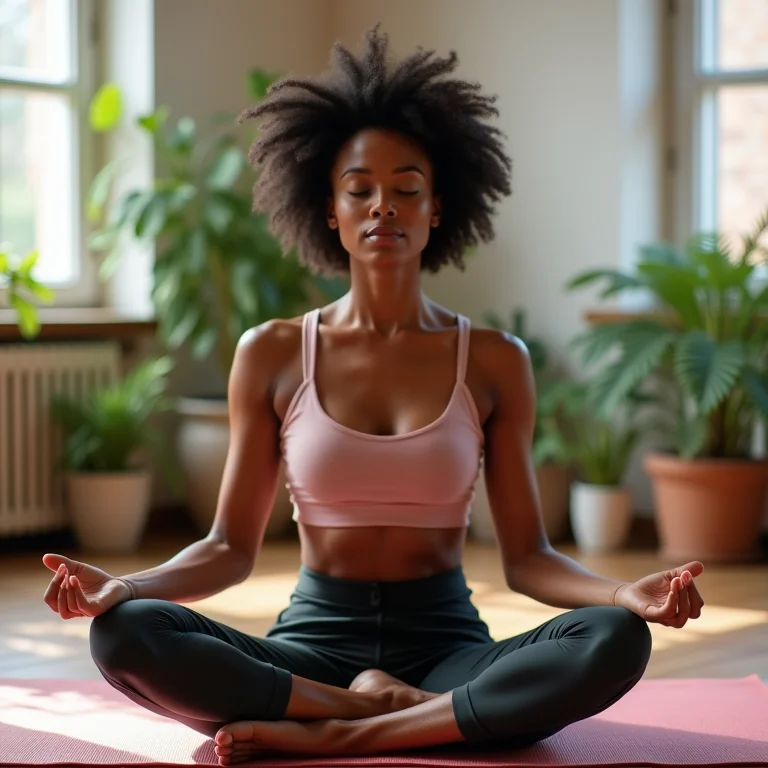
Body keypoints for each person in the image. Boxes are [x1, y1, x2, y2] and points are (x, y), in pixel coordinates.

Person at [42, 25, 704, 766]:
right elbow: (229, 548)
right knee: (125, 633)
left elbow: (528, 557)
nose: (382, 207)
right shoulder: (271, 352)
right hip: (311, 651)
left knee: (614, 640)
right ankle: (399, 715)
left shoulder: (492, 360)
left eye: (405, 190)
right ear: (330, 208)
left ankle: (337, 733)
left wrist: (624, 596)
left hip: (449, 647)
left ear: (437, 209)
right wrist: (122, 585)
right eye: (360, 190)